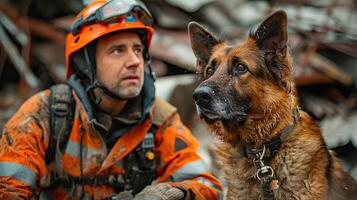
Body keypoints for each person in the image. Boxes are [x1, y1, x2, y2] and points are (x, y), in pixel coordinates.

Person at [0, 0, 223, 199]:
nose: (134, 61)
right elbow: (8, 190)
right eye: (118, 51)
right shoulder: (44, 114)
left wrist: (172, 193)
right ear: (85, 64)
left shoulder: (159, 118)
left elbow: (208, 186)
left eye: (137, 50)